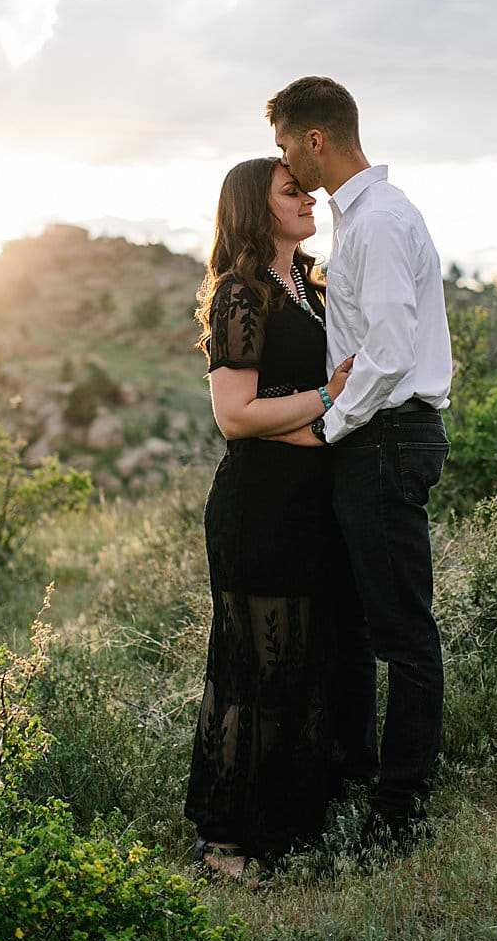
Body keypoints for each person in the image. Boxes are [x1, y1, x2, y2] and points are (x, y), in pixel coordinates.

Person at [269, 75, 453, 850]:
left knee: (403, 635)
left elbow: (386, 351)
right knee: (364, 626)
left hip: (385, 435)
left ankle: (401, 811)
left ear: (316, 139)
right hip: (378, 436)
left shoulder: (378, 222)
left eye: (285, 144)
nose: (283, 160)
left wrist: (332, 425)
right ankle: (358, 775)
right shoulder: (361, 222)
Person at [186, 157, 355, 879]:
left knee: (303, 668)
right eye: (292, 190)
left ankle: (283, 829)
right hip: (259, 509)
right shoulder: (241, 295)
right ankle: (223, 844)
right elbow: (235, 415)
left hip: (309, 506)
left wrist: (319, 419)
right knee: (254, 671)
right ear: (258, 209)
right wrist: (327, 399)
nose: (309, 194)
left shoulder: (309, 286)